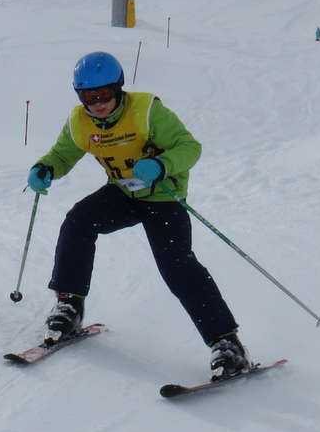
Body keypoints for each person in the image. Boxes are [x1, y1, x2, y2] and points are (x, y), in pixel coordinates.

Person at [26, 52, 248, 379]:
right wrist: (45, 168)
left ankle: (226, 343)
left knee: (177, 265)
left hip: (163, 196)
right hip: (124, 193)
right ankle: (70, 305)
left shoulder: (146, 111)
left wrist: (162, 165)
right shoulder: (79, 121)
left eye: (104, 94)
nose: (98, 104)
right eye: (89, 97)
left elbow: (189, 147)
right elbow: (63, 154)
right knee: (78, 221)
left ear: (118, 88)